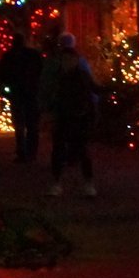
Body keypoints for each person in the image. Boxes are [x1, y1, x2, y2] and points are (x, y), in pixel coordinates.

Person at [40, 33, 98, 197]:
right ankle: (58, 183)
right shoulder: (58, 74)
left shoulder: (79, 75)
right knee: (60, 150)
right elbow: (48, 92)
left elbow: (93, 91)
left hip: (79, 116)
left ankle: (87, 183)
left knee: (81, 151)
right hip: (63, 116)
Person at [0, 30, 45, 163]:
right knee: (31, 124)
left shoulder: (9, 56)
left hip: (17, 93)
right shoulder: (33, 55)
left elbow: (1, 73)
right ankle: (31, 153)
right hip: (31, 92)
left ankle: (22, 153)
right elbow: (41, 70)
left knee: (20, 124)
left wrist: (7, 85)